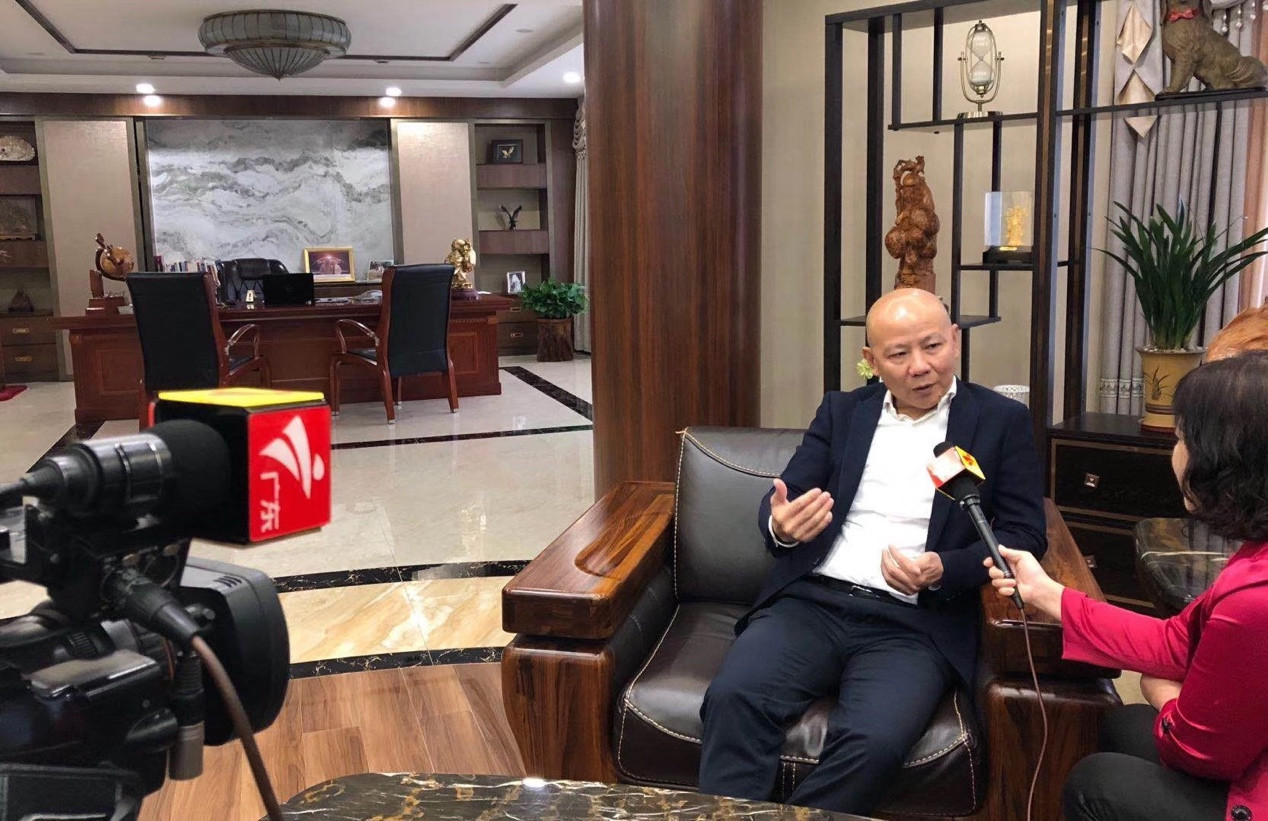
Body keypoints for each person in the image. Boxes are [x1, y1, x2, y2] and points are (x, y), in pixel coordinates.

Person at [698, 287, 1048, 814]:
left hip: (915, 623)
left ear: (955, 341)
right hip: (812, 604)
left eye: (932, 346)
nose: (919, 367)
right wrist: (782, 527)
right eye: (898, 354)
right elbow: (785, 499)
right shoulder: (843, 412)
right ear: (871, 360)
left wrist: (943, 568)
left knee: (874, 742)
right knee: (733, 699)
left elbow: (1025, 531)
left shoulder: (999, 420)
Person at [986, 352, 1268, 821]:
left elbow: (1199, 753)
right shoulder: (1255, 557)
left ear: (1224, 460)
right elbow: (1176, 640)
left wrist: (1163, 693)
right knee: (1126, 722)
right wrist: (1046, 592)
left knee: (1097, 783)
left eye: (1181, 439)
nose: (1175, 453)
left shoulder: (1255, 599)